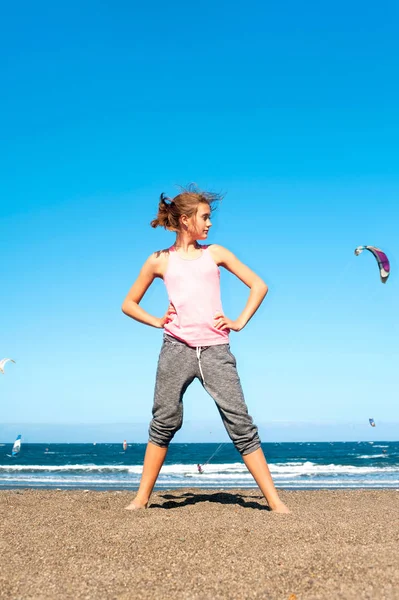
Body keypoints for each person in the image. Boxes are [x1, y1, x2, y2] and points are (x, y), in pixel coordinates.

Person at [122, 186, 289, 513]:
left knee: (240, 423)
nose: (209, 224)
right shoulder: (159, 261)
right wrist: (157, 321)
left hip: (216, 350)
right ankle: (140, 499)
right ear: (185, 221)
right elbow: (128, 303)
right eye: (204, 217)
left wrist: (239, 321)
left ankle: (275, 501)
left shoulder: (216, 253)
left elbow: (259, 285)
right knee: (164, 421)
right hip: (175, 349)